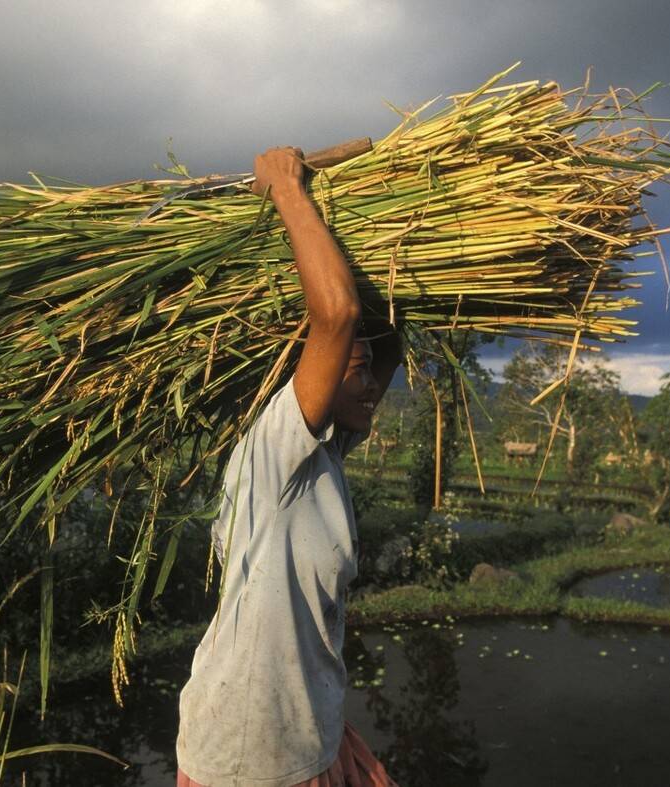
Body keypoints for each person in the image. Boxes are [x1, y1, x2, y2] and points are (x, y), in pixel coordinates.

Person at [175, 147, 402, 787]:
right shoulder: (274, 448)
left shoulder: (326, 448)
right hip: (253, 756)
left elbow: (384, 345)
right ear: (300, 378)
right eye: (353, 373)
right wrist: (285, 189)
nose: (371, 391)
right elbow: (337, 315)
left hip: (305, 733)